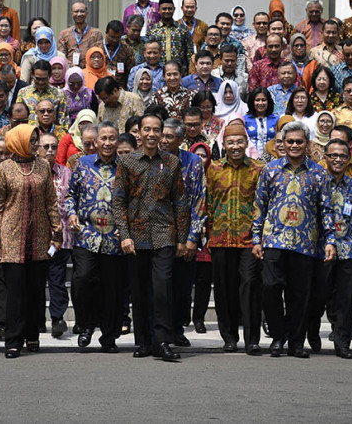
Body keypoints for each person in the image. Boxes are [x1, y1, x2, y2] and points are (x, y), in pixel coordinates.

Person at [113, 112, 188, 362]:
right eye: (147, 130)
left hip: (164, 234)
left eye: (157, 130)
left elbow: (179, 200)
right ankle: (144, 342)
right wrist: (124, 235)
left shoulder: (172, 162)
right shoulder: (127, 162)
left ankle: (163, 341)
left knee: (162, 289)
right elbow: (119, 200)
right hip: (135, 235)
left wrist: (181, 238)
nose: (152, 134)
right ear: (139, 132)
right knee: (139, 290)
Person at [252, 121, 328, 359]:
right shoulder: (270, 170)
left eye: (299, 141)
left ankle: (296, 342)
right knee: (270, 288)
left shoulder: (318, 172)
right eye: (290, 141)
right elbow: (259, 205)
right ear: (282, 144)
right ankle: (278, 335)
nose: (294, 145)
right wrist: (256, 239)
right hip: (274, 240)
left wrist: (330, 241)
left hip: (306, 243)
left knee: (300, 295)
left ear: (307, 144)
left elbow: (326, 210)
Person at [0, 125, 62, 358]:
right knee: (15, 292)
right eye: (31, 141)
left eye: (36, 140)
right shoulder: (5, 169)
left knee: (36, 290)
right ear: (18, 141)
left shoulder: (43, 166)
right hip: (11, 239)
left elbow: (51, 201)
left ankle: (32, 336)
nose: (36, 145)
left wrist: (57, 233)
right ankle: (13, 340)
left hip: (39, 238)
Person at [203, 119, 263, 354]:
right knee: (224, 289)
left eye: (240, 141)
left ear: (247, 143)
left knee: (250, 285)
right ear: (224, 144)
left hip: (249, 239)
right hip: (220, 238)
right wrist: (206, 234)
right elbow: (207, 202)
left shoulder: (258, 169)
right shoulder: (214, 169)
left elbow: (263, 204)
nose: (235, 146)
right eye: (230, 142)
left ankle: (252, 340)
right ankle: (228, 336)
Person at [65, 122, 124, 352]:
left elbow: (132, 200)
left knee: (113, 289)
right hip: (86, 234)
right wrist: (71, 214)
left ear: (117, 141)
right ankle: (85, 325)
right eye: (104, 139)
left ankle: (109, 337)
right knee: (83, 280)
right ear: (96, 142)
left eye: (112, 138)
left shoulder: (126, 167)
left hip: (114, 238)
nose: (108, 143)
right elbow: (70, 195)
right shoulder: (82, 164)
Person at [312, 137, 352, 358]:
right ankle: (312, 334)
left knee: (346, 299)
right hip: (320, 250)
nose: (337, 159)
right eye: (333, 155)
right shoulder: (315, 182)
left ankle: (343, 341)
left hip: (348, 249)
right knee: (318, 296)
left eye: (342, 156)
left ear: (348, 159)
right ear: (325, 157)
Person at [159, 119, 206, 349]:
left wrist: (192, 238)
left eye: (169, 137)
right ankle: (161, 330)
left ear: (180, 140)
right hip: (158, 233)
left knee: (183, 286)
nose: (164, 140)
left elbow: (199, 201)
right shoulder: (152, 160)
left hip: (185, 233)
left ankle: (177, 329)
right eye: (162, 135)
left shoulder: (193, 162)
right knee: (161, 285)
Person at [34, 131, 73, 338]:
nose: (50, 151)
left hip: (61, 238)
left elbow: (71, 201)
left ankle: (58, 319)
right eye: (45, 147)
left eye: (53, 147)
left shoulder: (66, 173)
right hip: (36, 238)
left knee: (57, 280)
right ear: (37, 149)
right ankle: (38, 320)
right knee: (37, 281)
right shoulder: (30, 173)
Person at [147, 0, 194, 73]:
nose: (167, 11)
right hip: (158, 73)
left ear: (174, 9)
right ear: (159, 10)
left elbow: (189, 53)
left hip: (179, 73)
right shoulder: (152, 30)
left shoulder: (183, 29)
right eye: (164, 9)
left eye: (170, 8)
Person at [245, 88, 278, 159]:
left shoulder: (276, 119)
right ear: (252, 102)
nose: (260, 103)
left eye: (263, 100)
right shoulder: (245, 119)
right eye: (257, 100)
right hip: (250, 159)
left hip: (272, 158)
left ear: (268, 101)